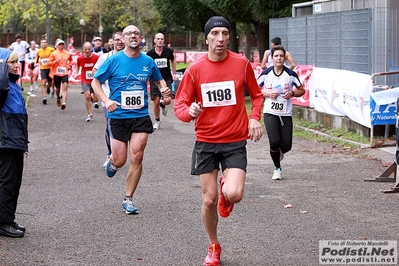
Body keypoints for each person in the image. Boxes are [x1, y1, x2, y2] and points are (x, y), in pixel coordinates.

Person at [173, 16, 264, 266]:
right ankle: (213, 246)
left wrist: (254, 118)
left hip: (234, 140)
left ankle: (227, 189)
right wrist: (188, 112)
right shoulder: (195, 69)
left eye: (225, 33)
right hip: (206, 141)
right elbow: (180, 105)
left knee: (234, 194)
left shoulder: (241, 63)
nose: (221, 38)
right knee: (208, 200)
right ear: (207, 38)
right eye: (215, 34)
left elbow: (256, 96)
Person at [91, 25, 171, 214]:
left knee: (137, 156)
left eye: (136, 33)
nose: (133, 36)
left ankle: (128, 199)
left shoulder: (148, 61)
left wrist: (164, 88)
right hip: (118, 115)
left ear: (141, 38)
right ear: (123, 39)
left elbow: (158, 79)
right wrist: (106, 99)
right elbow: (95, 81)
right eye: (129, 34)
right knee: (120, 160)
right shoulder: (114, 60)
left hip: (140, 116)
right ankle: (111, 161)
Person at [257, 45, 305, 180]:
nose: (279, 58)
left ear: (285, 59)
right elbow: (255, 89)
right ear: (272, 58)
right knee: (274, 142)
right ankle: (277, 168)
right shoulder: (266, 74)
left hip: (285, 113)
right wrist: (266, 93)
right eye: (276, 56)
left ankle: (280, 152)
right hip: (270, 112)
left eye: (281, 56)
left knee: (286, 145)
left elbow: (302, 90)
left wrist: (292, 93)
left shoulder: (290, 75)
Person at [0, 48, 29, 238]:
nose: (16, 65)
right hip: (6, 140)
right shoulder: (3, 86)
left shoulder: (14, 85)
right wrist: (1, 65)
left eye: (17, 61)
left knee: (15, 181)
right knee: (7, 181)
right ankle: (3, 222)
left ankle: (8, 218)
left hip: (16, 139)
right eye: (11, 62)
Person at [92, 31, 124, 168]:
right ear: (112, 42)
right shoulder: (105, 57)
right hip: (108, 96)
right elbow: (95, 71)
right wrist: (103, 80)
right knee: (110, 125)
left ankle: (121, 152)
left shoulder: (130, 57)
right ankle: (110, 153)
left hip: (125, 98)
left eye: (121, 39)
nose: (119, 42)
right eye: (117, 39)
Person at [145, 33, 175, 130]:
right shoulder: (150, 54)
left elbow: (173, 61)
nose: (160, 40)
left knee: (167, 100)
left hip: (166, 78)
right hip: (154, 79)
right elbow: (147, 66)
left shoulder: (168, 51)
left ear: (164, 40)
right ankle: (157, 121)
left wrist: (174, 73)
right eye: (158, 39)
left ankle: (163, 105)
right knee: (156, 101)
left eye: (161, 39)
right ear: (154, 40)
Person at [74, 42, 100, 122]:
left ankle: (93, 97)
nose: (87, 51)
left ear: (91, 49)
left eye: (89, 49)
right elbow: (78, 65)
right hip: (85, 80)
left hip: (94, 79)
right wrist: (77, 73)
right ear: (83, 49)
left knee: (96, 100)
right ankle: (89, 114)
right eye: (86, 49)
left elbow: (100, 66)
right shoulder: (80, 58)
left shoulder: (96, 57)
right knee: (87, 95)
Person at [47, 39, 73, 110]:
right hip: (56, 73)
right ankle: (58, 97)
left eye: (62, 44)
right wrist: (55, 61)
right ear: (57, 45)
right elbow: (48, 63)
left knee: (65, 86)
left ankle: (64, 102)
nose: (61, 46)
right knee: (57, 89)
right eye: (60, 44)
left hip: (65, 72)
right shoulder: (54, 53)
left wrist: (70, 65)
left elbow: (71, 60)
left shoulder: (67, 53)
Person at [35, 38, 55, 104]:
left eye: (44, 42)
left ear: (47, 43)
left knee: (50, 83)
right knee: (43, 83)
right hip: (43, 68)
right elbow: (36, 59)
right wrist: (35, 63)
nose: (43, 44)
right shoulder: (39, 51)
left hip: (50, 68)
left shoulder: (51, 50)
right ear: (40, 44)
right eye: (42, 43)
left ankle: (48, 87)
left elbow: (55, 56)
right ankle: (44, 98)